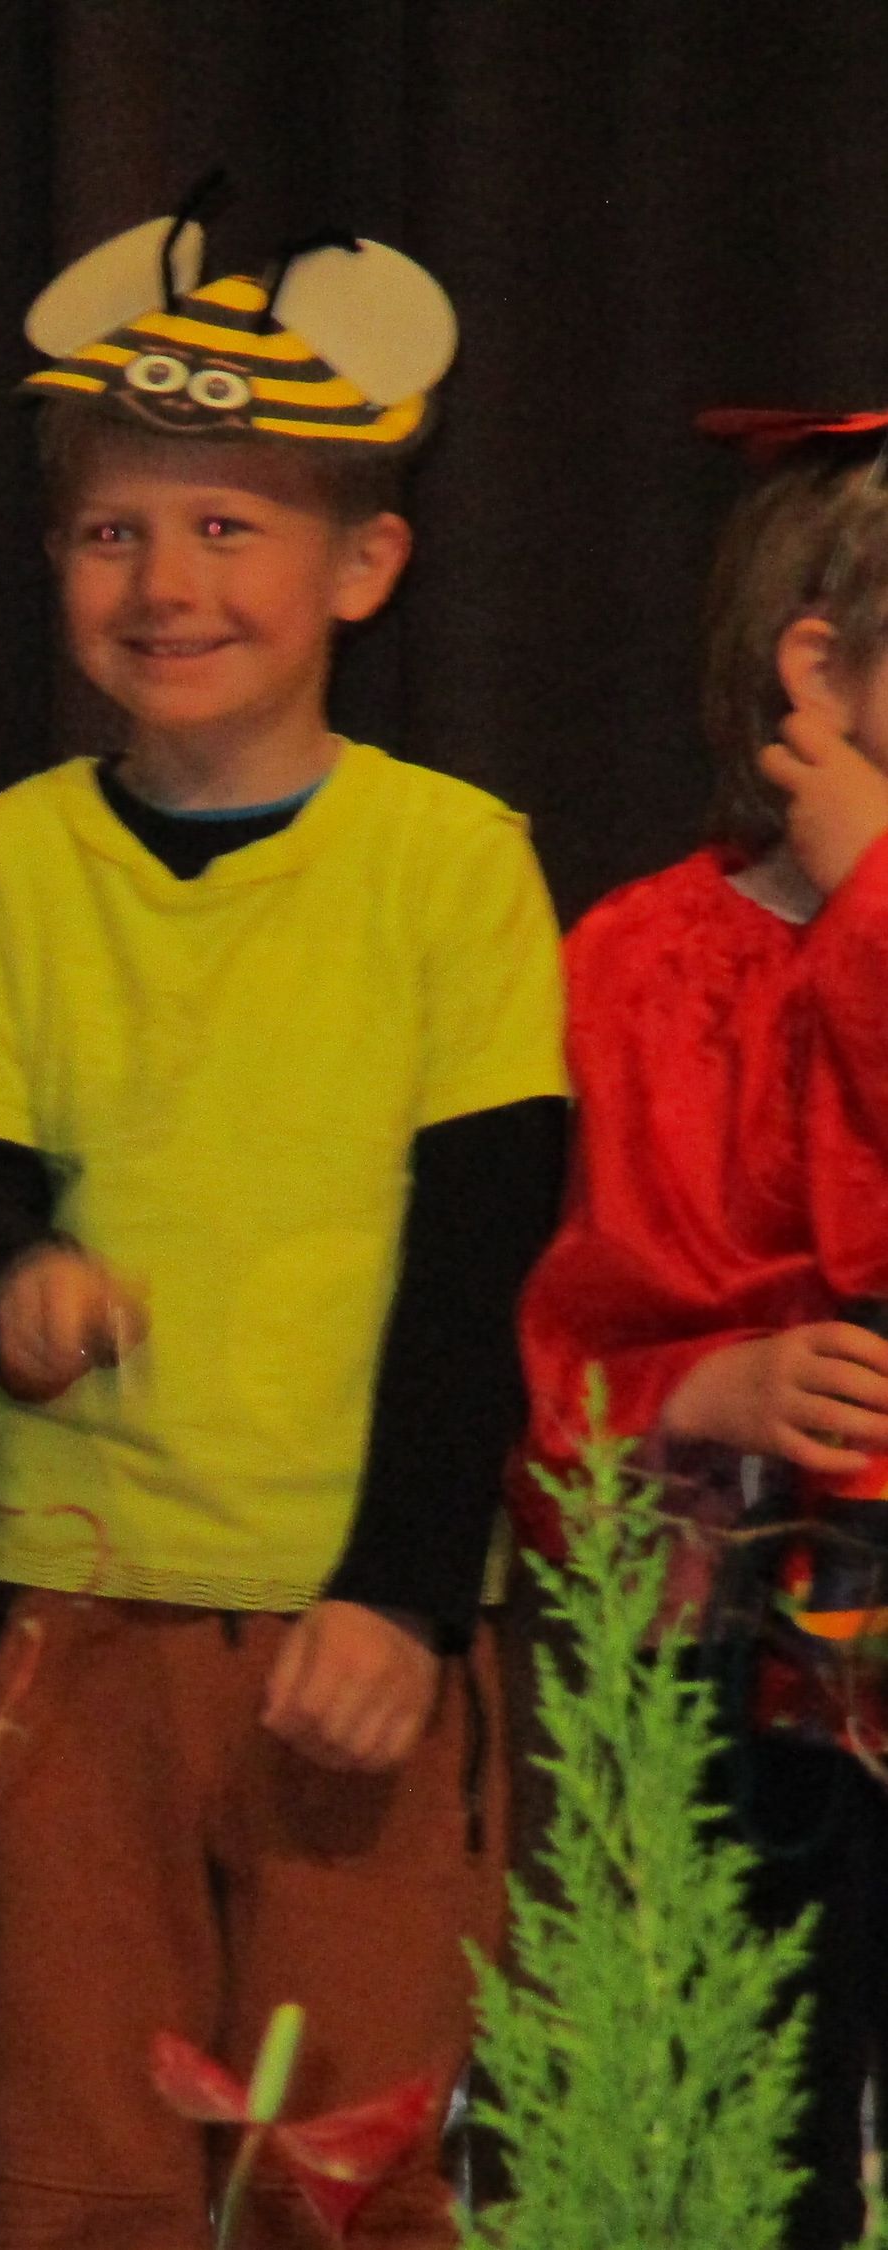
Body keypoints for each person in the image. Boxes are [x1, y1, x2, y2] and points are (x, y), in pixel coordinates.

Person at [0, 199, 570, 2249]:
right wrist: (10, 1270)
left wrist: (404, 1597)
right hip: (68, 1629)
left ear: (364, 565)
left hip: (350, 1625)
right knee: (82, 2168)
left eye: (227, 529)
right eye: (113, 532)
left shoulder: (454, 864)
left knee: (347, 2168)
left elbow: (482, 1263)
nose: (165, 582)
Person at [517, 405, 888, 2250]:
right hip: (731, 1671)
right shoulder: (640, 966)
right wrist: (701, 1383)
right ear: (817, 670)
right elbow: (543, 1337)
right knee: (742, 2136)